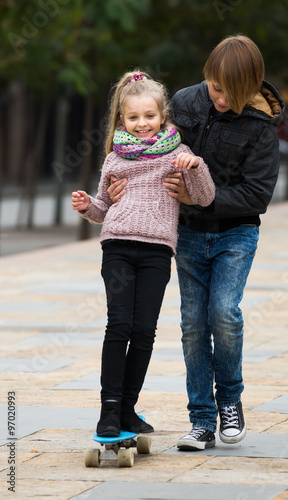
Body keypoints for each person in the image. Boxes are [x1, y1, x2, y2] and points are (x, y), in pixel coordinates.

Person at [108, 36, 285, 451]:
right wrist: (121, 190)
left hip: (236, 233)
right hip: (186, 232)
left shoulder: (261, 126)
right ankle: (202, 420)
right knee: (193, 326)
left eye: (230, 91)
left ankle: (230, 401)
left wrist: (199, 196)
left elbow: (256, 194)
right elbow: (147, 150)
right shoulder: (186, 103)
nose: (220, 97)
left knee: (223, 313)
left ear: (252, 86)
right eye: (214, 86)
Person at [71, 70, 215, 438]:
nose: (141, 124)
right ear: (122, 119)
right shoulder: (115, 159)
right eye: (133, 117)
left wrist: (195, 167)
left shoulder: (179, 154)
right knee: (119, 325)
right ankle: (109, 411)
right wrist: (89, 205)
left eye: (149, 116)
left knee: (145, 330)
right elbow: (103, 208)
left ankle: (129, 409)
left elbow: (204, 197)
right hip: (117, 246)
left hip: (156, 252)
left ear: (162, 117)